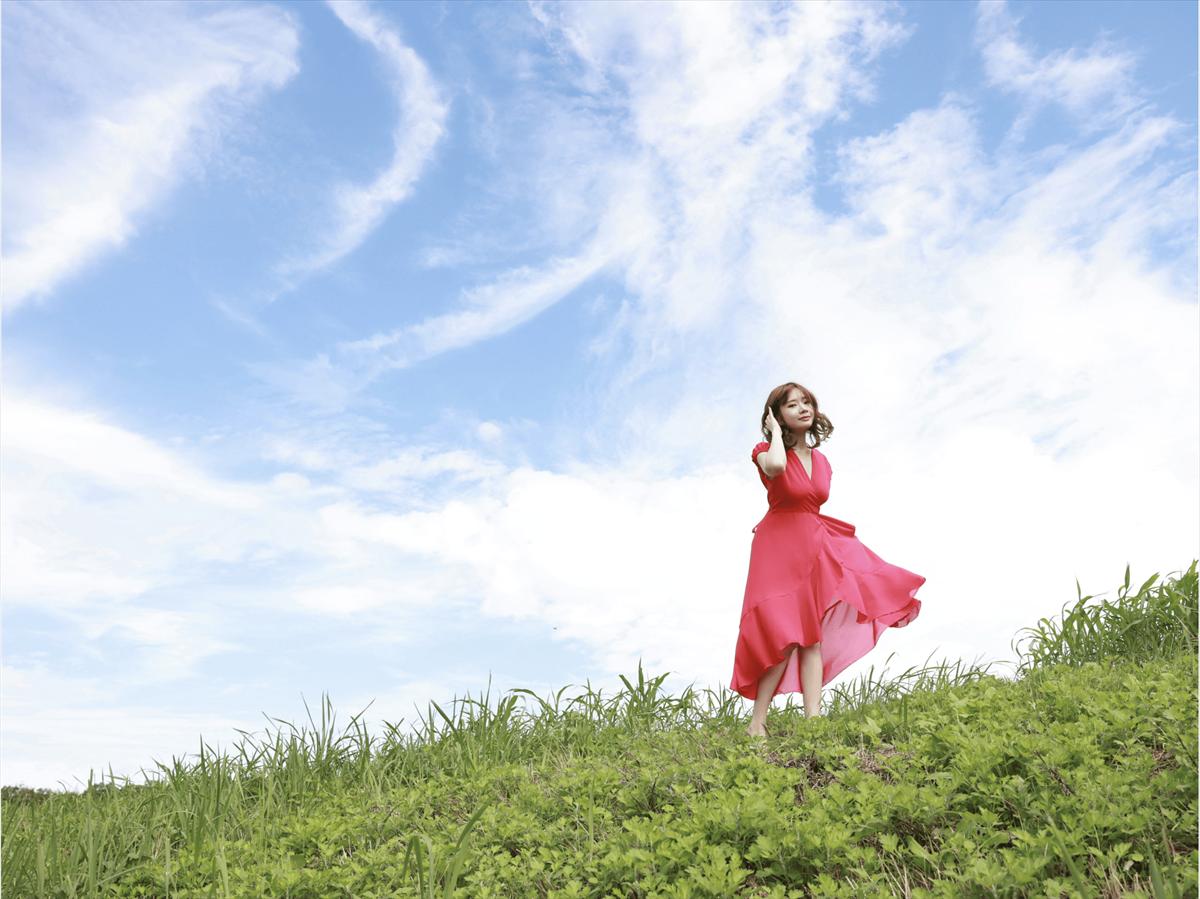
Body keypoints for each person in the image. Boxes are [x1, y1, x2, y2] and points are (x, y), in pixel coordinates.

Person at [730, 382, 925, 739]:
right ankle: (757, 724)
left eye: (807, 402)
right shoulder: (764, 451)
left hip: (813, 545)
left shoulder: (821, 461)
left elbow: (815, 499)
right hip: (777, 548)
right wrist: (776, 435)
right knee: (782, 634)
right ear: (777, 415)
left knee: (810, 636)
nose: (803, 408)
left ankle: (814, 724)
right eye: (792, 405)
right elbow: (776, 467)